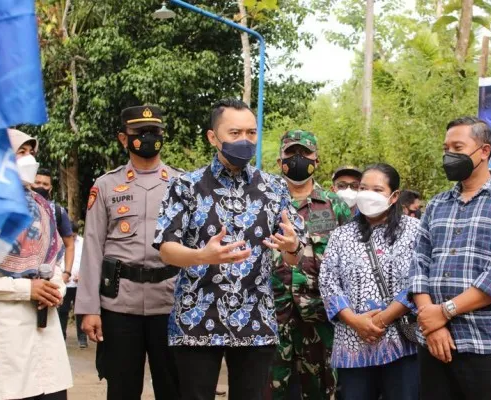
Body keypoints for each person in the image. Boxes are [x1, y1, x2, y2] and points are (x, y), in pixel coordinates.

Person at [154, 98, 307, 400]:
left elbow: (294, 252)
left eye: (251, 133)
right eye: (235, 133)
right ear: (213, 137)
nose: (245, 140)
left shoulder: (274, 188)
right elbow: (165, 248)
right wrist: (201, 256)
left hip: (256, 318)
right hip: (197, 316)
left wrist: (292, 247)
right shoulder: (185, 186)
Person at [409, 116, 491, 400]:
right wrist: (431, 322)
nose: (449, 156)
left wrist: (443, 313)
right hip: (432, 343)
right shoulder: (437, 205)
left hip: (485, 342)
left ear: (484, 151)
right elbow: (419, 263)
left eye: (457, 147)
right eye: (446, 148)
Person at [75, 105, 182, 400]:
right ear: (124, 139)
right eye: (140, 133)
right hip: (120, 305)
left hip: (171, 302)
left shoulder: (183, 184)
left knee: (174, 387)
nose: (148, 138)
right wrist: (88, 308)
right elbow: (93, 247)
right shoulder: (106, 185)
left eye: (154, 132)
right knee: (121, 388)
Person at [320, 163, 420, 400]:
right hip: (353, 345)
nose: (368, 195)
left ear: (394, 196)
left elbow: (420, 279)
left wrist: (384, 318)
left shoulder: (415, 230)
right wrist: (354, 321)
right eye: (363, 188)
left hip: (400, 344)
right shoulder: (341, 235)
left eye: (377, 190)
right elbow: (328, 282)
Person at [0, 129, 72, 400]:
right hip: (2, 338)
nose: (29, 159)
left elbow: (56, 258)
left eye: (31, 152)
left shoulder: (43, 207)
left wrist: (54, 286)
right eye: (20, 152)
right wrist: (26, 289)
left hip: (46, 336)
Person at [268, 130, 352, 400]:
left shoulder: (334, 205)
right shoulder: (264, 202)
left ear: (317, 159)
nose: (298, 159)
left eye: (305, 153)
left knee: (322, 391)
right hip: (272, 316)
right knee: (268, 390)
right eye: (291, 153)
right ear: (280, 160)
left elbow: (348, 260)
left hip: (320, 317)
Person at [32, 168, 76, 285]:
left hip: (49, 275)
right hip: (22, 276)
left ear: (50, 189)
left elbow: (70, 244)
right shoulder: (19, 207)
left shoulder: (58, 212)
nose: (41, 186)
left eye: (45, 184)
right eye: (37, 182)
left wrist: (66, 273)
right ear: (31, 184)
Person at [57, 233, 87, 348]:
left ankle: (82, 338)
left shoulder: (83, 242)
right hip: (64, 283)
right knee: (63, 311)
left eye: (74, 236)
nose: (72, 238)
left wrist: (82, 274)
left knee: (80, 311)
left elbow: (87, 260)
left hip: (79, 284)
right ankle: (62, 337)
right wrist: (62, 274)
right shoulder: (60, 241)